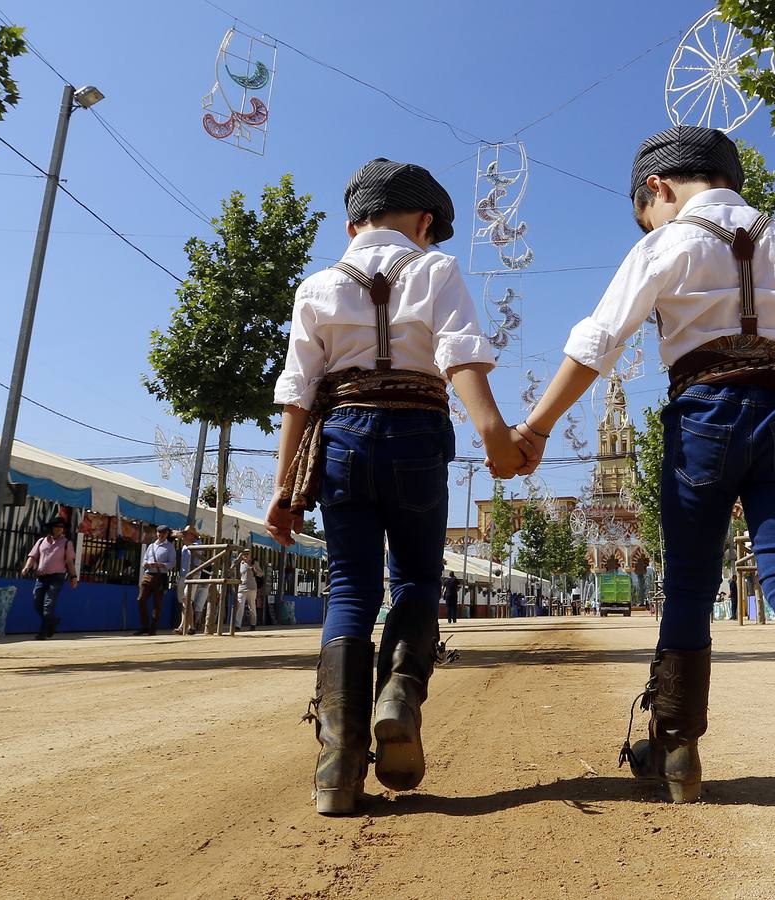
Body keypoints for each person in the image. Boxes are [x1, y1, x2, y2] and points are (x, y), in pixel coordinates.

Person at [503, 126, 775, 845]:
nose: (647, 222)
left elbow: (598, 339)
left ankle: (677, 753)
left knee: (686, 583)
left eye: (642, 210)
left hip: (705, 417)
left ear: (657, 188)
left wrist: (533, 428)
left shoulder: (662, 244)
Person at [264, 158, 525, 816]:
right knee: (415, 578)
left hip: (343, 441)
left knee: (350, 588)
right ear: (425, 223)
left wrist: (282, 487)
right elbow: (459, 351)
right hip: (416, 438)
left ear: (352, 225)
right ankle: (399, 694)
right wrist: (494, 432)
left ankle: (337, 761)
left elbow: (296, 392)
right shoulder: (434, 269)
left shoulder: (316, 286)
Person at [19, 516, 77, 640]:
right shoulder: (41, 541)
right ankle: (53, 622)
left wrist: (73, 577)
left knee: (48, 606)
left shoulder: (66, 543)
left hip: (57, 577)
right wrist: (26, 567)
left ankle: (43, 632)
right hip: (41, 577)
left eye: (61, 527)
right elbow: (33, 556)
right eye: (56, 527)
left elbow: (70, 562)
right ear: (51, 528)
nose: (59, 529)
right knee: (37, 604)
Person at [135, 525, 176, 636]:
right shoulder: (151, 546)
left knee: (157, 604)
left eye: (163, 533)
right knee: (141, 599)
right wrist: (146, 564)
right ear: (156, 533)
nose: (161, 535)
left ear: (167, 534)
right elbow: (144, 560)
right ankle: (144, 626)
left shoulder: (170, 547)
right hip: (148, 574)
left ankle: (152, 629)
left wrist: (161, 565)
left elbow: (172, 564)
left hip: (160, 576)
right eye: (159, 532)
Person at [173, 524, 200, 635]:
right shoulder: (185, 545)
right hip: (184, 574)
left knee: (186, 600)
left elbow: (194, 550)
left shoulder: (198, 544)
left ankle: (185, 626)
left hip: (193, 574)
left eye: (186, 534)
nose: (184, 536)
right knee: (185, 601)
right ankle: (189, 626)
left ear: (192, 535)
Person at [233, 548, 262, 632]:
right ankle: (237, 625)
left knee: (252, 607)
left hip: (252, 588)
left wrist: (255, 570)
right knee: (240, 606)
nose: (245, 556)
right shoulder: (239, 564)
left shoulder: (254, 563)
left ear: (250, 555)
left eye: (247, 554)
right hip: (241, 588)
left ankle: (253, 624)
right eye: (244, 554)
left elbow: (261, 574)